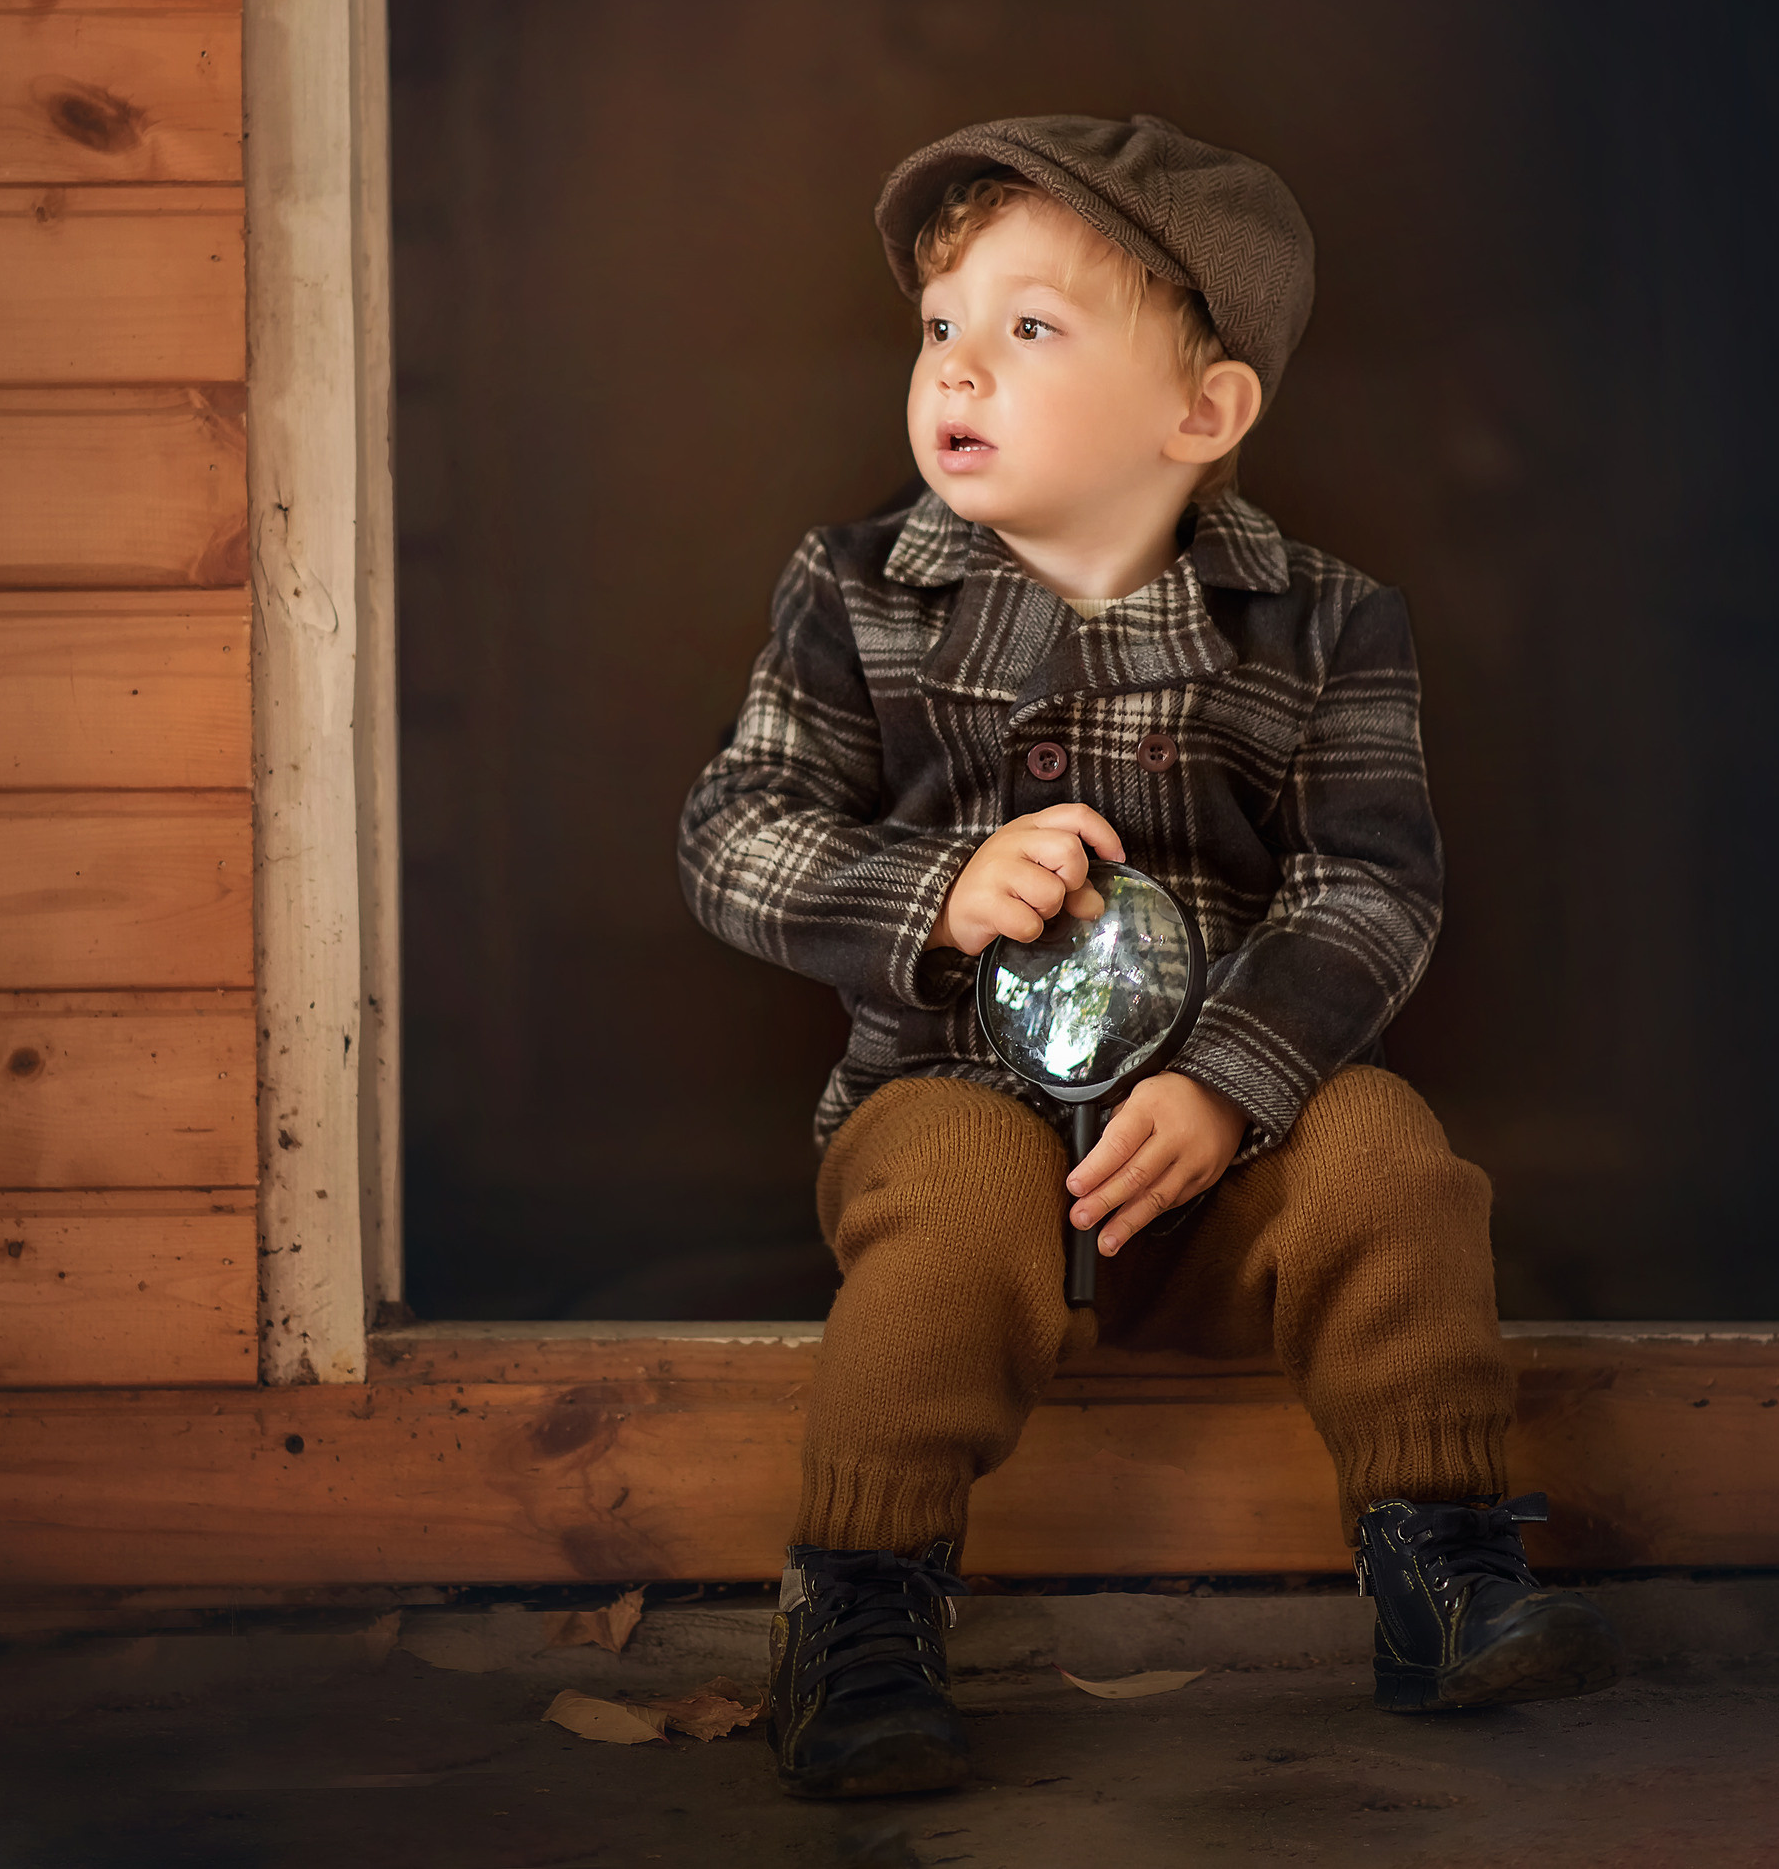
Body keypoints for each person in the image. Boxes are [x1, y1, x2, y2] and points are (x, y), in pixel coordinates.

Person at [677, 115, 1621, 1800]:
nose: (956, 364)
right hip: (945, 1094)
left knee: (1393, 1159)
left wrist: (1231, 1077)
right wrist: (940, 889)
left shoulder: (1323, 619)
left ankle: (1444, 1559)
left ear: (1205, 411)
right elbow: (733, 829)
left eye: (1026, 328)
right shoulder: (857, 588)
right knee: (954, 1222)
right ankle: (867, 1606)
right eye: (939, 326)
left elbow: (1372, 884)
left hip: (1221, 1129)